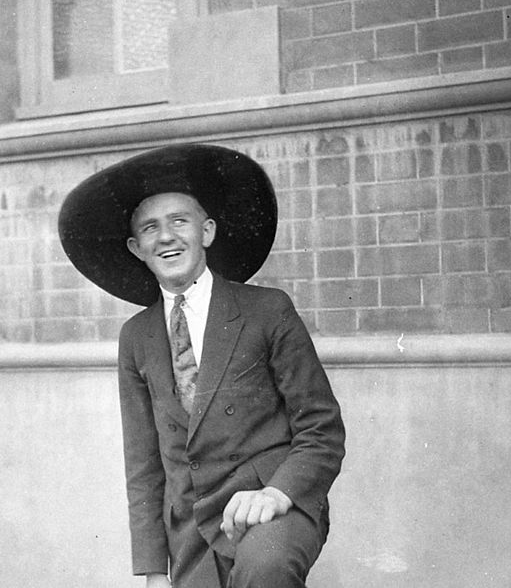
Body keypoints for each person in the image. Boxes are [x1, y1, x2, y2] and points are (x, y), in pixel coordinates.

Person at [58, 144, 346, 588]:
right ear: (137, 248)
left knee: (265, 569)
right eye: (150, 228)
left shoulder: (266, 310)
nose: (166, 237)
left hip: (270, 505)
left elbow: (321, 428)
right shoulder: (136, 338)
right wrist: (154, 569)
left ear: (207, 232)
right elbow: (144, 466)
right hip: (192, 528)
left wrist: (277, 492)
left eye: (179, 221)